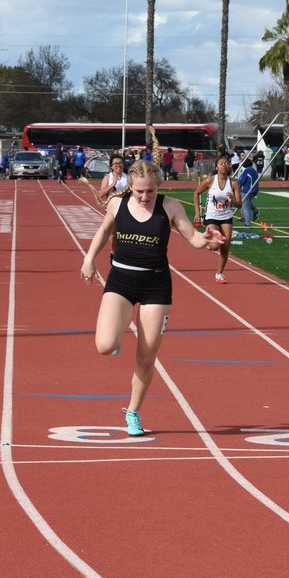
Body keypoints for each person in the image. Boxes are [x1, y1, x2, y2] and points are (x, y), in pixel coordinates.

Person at [80, 160, 227, 436]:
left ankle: (133, 412)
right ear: (130, 188)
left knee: (146, 357)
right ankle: (116, 334)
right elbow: (103, 232)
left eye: (149, 191)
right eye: (139, 192)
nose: (145, 197)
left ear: (158, 186)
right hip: (121, 279)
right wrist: (89, 260)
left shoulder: (169, 207)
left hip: (156, 285)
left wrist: (208, 239)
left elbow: (192, 237)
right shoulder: (117, 205)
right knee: (104, 345)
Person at [193, 153, 242, 283]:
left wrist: (232, 202)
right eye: (221, 163)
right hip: (211, 215)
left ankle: (219, 274)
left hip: (226, 216)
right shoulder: (210, 180)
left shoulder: (234, 183)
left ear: (230, 166)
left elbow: (239, 204)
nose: (224, 166)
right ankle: (210, 244)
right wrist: (197, 212)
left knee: (225, 246)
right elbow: (196, 193)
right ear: (216, 167)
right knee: (215, 246)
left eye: (226, 163)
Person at [238, 154, 260, 226]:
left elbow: (242, 181)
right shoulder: (253, 170)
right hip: (253, 190)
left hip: (247, 190)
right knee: (248, 204)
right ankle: (254, 211)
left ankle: (247, 223)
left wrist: (236, 184)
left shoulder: (247, 170)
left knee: (245, 208)